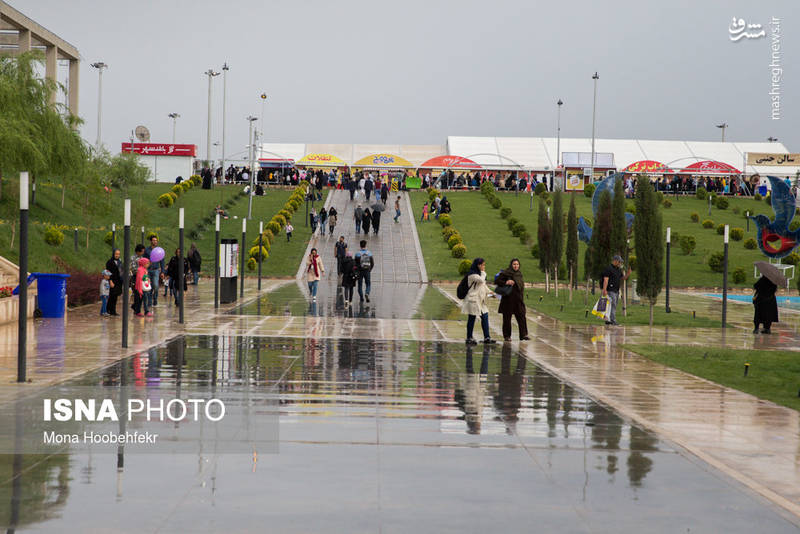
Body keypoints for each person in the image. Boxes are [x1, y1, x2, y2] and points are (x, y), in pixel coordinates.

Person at [461, 258, 497, 345]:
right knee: (472, 318)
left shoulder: (480, 275)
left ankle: (487, 337)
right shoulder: (472, 275)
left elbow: (483, 286)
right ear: (478, 265)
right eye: (483, 265)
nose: (484, 267)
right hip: (473, 300)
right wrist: (483, 273)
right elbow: (481, 280)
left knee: (485, 316)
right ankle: (469, 338)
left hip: (481, 300)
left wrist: (491, 293)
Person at [495, 258, 529, 341]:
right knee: (507, 318)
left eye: (517, 264)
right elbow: (497, 281)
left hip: (518, 299)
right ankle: (507, 336)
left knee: (521, 316)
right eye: (514, 264)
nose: (516, 266)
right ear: (511, 265)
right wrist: (506, 282)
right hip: (508, 299)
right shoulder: (506, 273)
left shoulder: (519, 274)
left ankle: (523, 335)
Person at [600, 255, 631, 326]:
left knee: (613, 305)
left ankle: (608, 320)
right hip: (610, 290)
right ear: (615, 261)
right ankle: (612, 320)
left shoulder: (618, 270)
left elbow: (622, 278)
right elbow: (606, 280)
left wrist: (628, 274)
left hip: (616, 290)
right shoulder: (608, 269)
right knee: (613, 304)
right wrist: (604, 290)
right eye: (619, 262)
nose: (620, 263)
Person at [144, 236, 165, 307]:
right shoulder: (146, 250)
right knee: (149, 287)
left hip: (156, 270)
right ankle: (149, 302)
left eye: (156, 240)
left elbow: (162, 261)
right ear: (151, 241)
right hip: (148, 270)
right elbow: (143, 260)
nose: (155, 242)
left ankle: (155, 299)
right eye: (153, 240)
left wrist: (162, 272)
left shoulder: (159, 250)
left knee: (156, 286)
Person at [105, 249, 122, 316]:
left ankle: (112, 310)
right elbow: (108, 272)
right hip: (112, 281)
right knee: (112, 296)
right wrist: (110, 281)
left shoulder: (120, 262)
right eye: (116, 254)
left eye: (118, 254)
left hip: (118, 281)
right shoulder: (109, 262)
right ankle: (109, 310)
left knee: (115, 296)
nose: (117, 255)